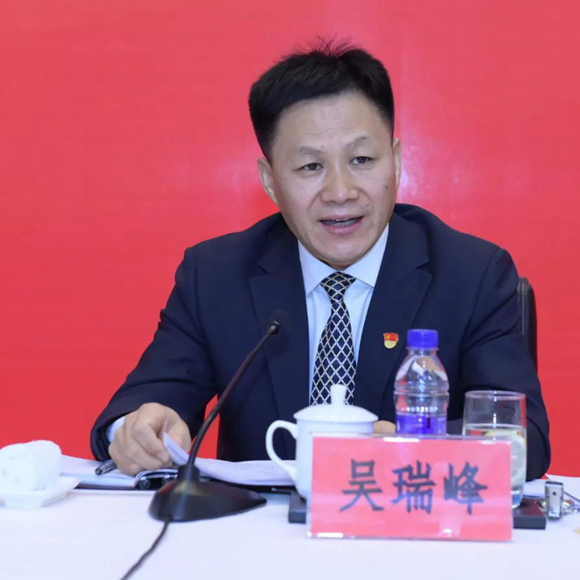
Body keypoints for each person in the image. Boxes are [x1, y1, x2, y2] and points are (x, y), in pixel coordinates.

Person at [91, 41, 551, 480]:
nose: (340, 192)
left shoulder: (471, 274)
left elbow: (521, 439)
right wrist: (138, 430)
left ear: (396, 161)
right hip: (261, 531)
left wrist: (417, 447)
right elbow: (141, 406)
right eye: (311, 166)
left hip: (410, 528)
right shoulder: (216, 275)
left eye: (362, 159)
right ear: (270, 181)